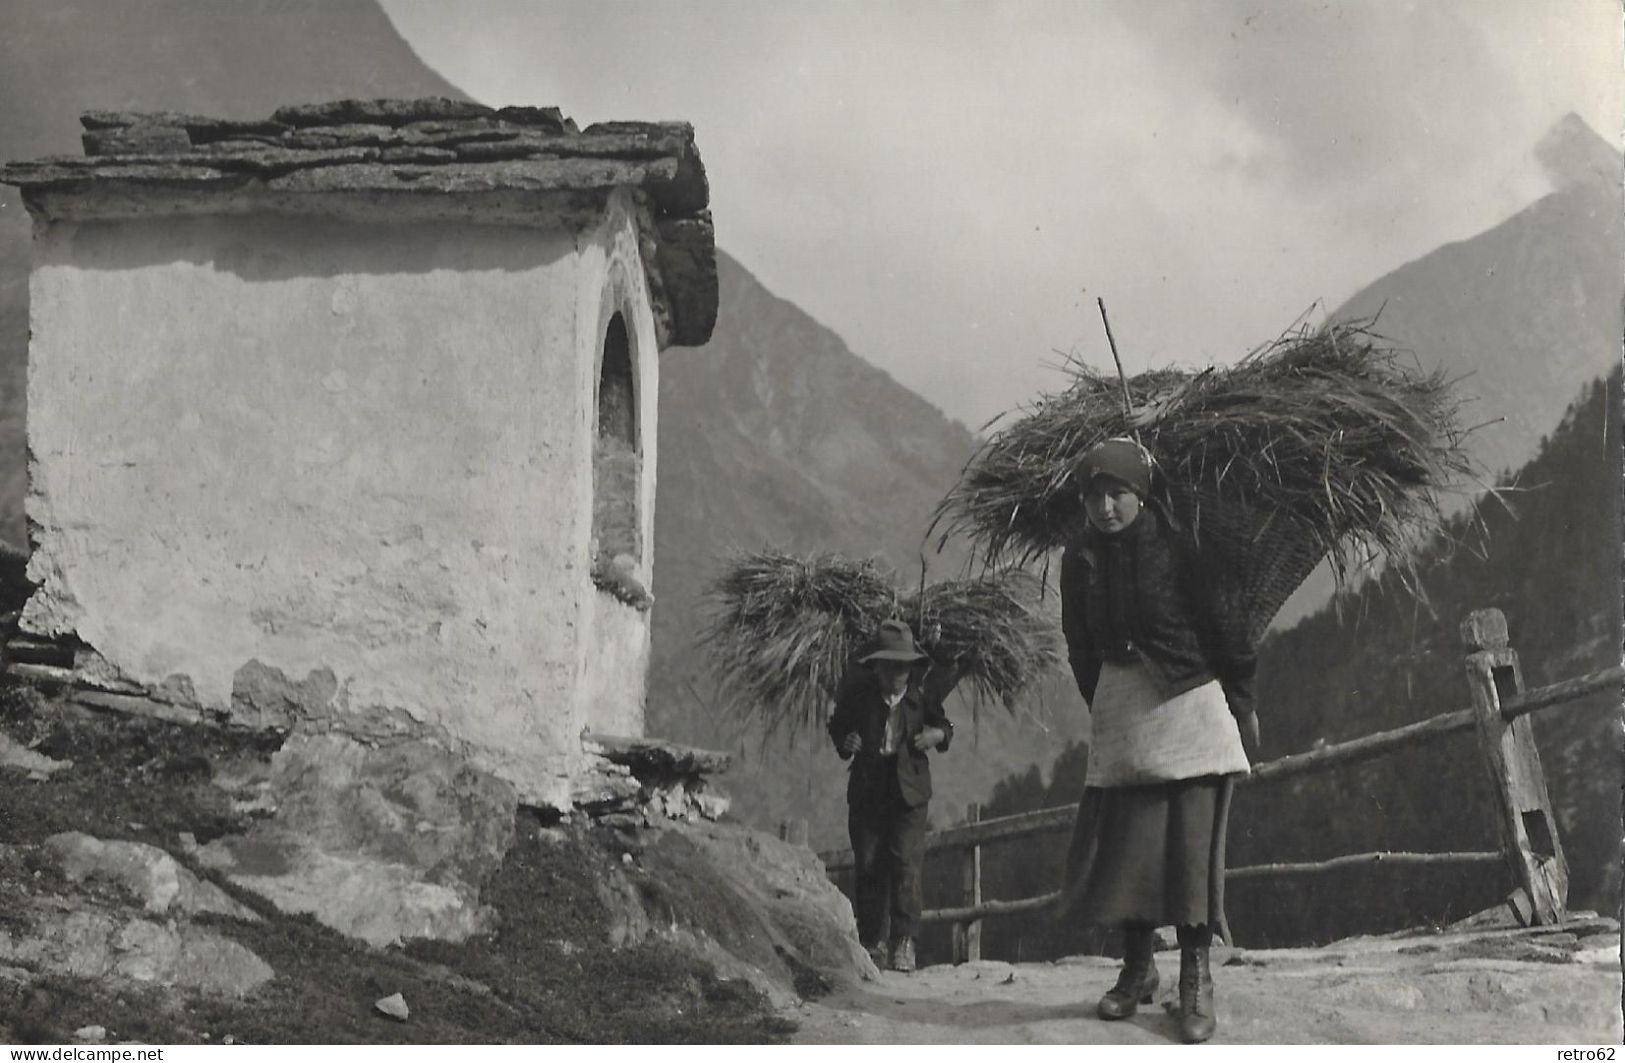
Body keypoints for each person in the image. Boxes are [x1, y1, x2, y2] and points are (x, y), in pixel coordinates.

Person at [1055, 436, 1259, 1044]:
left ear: (1141, 495)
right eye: (1094, 496)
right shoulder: (1081, 559)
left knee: (1190, 847)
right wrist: (1107, 701)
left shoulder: (1177, 546)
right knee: (1129, 847)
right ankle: (1138, 969)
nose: (1106, 508)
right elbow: (1079, 644)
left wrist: (1243, 702)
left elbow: (1227, 626)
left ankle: (1195, 977)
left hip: (1190, 703)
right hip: (1123, 709)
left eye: (1117, 493)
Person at [828, 617, 954, 973]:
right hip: (869, 787)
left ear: (911, 668)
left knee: (905, 864)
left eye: (902, 667)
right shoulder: (860, 697)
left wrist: (936, 737)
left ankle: (903, 942)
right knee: (868, 864)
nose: (896, 674)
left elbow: (947, 726)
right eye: (889, 666)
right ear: (877, 667)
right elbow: (838, 725)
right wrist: (845, 741)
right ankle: (872, 942)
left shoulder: (922, 697)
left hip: (909, 792)